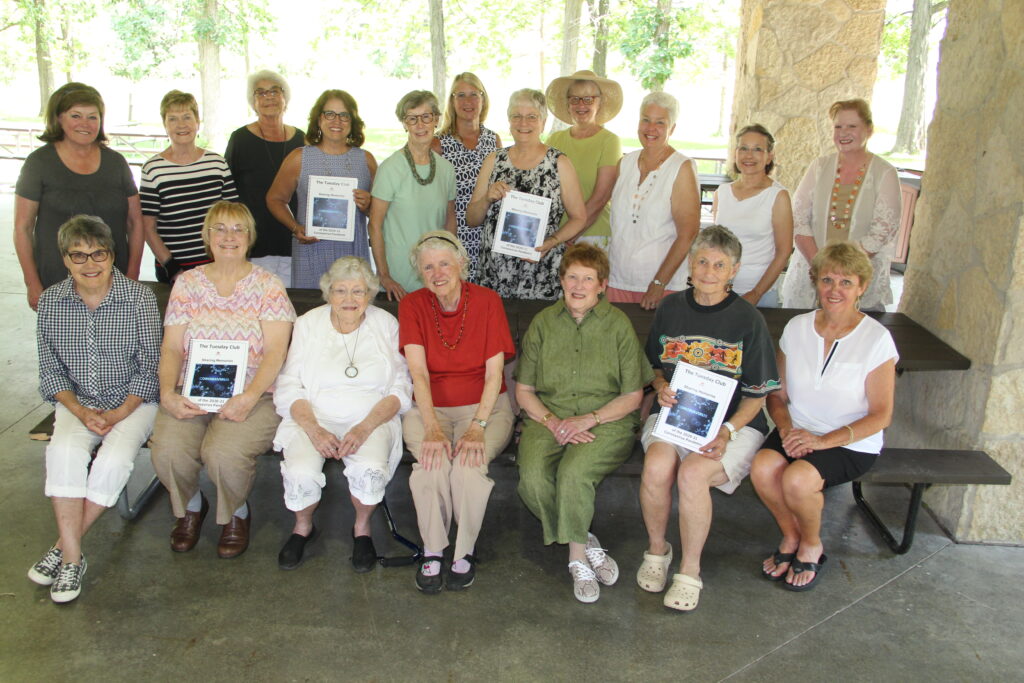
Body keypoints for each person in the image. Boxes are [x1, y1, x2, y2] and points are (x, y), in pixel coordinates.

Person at [637, 225, 780, 612]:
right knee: (656, 465)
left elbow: (758, 393)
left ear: (733, 270)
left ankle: (690, 570)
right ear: (690, 263)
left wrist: (728, 431)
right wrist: (660, 384)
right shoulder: (670, 307)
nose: (709, 271)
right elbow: (653, 366)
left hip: (735, 423)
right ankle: (657, 551)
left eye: (720, 264)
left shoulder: (747, 319)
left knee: (693, 473)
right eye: (702, 261)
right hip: (676, 414)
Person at [150, 201, 296, 559]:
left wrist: (248, 397)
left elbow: (276, 352)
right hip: (193, 391)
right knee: (168, 449)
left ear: (250, 237)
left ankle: (235, 512)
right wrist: (168, 393)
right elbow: (170, 348)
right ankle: (191, 507)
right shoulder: (187, 283)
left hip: (255, 393)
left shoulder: (268, 285)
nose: (229, 237)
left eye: (238, 229)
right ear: (207, 236)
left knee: (223, 454)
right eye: (220, 229)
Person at [28, 216, 160, 603]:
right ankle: (72, 557)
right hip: (77, 403)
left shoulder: (138, 298)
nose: (90, 263)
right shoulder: (52, 301)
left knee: (113, 463)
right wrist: (81, 411)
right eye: (78, 255)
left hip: (133, 403)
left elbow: (150, 366)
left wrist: (117, 414)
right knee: (63, 452)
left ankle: (62, 550)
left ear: (112, 255)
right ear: (65, 260)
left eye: (98, 253)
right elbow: (50, 370)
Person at [752, 242, 897, 591]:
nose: (835, 290)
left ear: (862, 287)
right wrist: (786, 429)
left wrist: (821, 441)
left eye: (846, 282)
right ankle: (790, 537)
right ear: (815, 282)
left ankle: (812, 544)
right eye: (827, 280)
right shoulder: (797, 328)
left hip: (851, 441)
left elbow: (881, 415)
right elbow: (778, 394)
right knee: (762, 468)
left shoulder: (877, 339)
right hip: (798, 429)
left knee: (798, 480)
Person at [515, 243, 652, 603]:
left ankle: (576, 559)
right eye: (572, 277)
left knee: (574, 474)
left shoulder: (618, 326)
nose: (578, 285)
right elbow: (525, 390)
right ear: (561, 280)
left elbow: (632, 396)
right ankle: (585, 538)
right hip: (550, 419)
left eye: (587, 279)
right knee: (530, 478)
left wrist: (587, 419)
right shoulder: (543, 324)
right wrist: (553, 421)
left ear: (602, 285)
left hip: (607, 420)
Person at [273, 257, 411, 571]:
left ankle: (362, 528)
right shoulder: (308, 323)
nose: (349, 299)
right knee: (301, 472)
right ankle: (303, 527)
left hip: (370, 418)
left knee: (371, 468)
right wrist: (314, 429)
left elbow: (400, 385)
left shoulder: (385, 324)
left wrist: (365, 428)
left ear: (370, 294)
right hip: (314, 417)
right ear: (328, 293)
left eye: (358, 292)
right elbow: (291, 383)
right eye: (340, 291)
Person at [398, 231, 516, 593]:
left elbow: (495, 373)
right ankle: (434, 549)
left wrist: (478, 425)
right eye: (428, 266)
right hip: (428, 406)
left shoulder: (487, 301)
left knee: (467, 467)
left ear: (462, 264)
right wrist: (431, 427)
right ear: (419, 273)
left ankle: (463, 551)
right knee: (431, 467)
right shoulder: (413, 305)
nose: (437, 273)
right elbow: (418, 372)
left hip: (485, 407)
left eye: (444, 263)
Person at [15, 83, 143, 310]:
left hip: (115, 280)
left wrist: (132, 274)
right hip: (57, 281)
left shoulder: (116, 163)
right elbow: (23, 228)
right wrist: (32, 282)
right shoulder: (39, 163)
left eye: (92, 117)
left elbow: (135, 223)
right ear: (59, 118)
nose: (85, 124)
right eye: (76, 115)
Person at [781, 99, 902, 311]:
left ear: (869, 130)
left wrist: (841, 274)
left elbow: (882, 231)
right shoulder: (818, 167)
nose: (843, 133)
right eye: (838, 127)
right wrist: (820, 266)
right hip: (813, 272)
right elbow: (799, 218)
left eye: (852, 126)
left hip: (858, 279)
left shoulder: (885, 173)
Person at [468, 89, 587, 300]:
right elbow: (472, 219)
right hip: (494, 272)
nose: (524, 123)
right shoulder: (494, 160)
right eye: (517, 116)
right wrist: (487, 198)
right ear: (509, 120)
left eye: (532, 117)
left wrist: (551, 242)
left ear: (543, 122)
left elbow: (579, 217)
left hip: (541, 271)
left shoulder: (559, 163)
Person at [267, 90, 376, 289]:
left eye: (344, 115)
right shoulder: (299, 158)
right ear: (319, 119)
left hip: (352, 254)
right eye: (330, 114)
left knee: (353, 310)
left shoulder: (366, 160)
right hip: (312, 250)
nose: (337, 121)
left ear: (353, 122)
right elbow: (275, 199)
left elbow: (380, 212)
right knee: (311, 312)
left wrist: (369, 205)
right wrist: (295, 227)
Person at [607, 92, 700, 309]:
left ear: (672, 128)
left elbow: (688, 233)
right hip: (617, 280)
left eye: (660, 123)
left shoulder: (681, 167)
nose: (651, 128)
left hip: (660, 286)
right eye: (646, 120)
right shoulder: (625, 163)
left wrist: (659, 282)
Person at [141, 90, 238, 282]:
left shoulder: (217, 164)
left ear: (197, 122)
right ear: (165, 125)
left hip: (217, 266)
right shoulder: (153, 169)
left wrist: (227, 260)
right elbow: (147, 227)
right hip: (174, 270)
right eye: (173, 119)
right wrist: (172, 268)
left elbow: (233, 218)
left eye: (187, 117)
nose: (181, 125)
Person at [370, 91, 457, 300]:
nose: (420, 125)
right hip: (398, 283)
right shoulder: (390, 168)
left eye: (426, 116)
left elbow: (450, 219)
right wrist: (384, 276)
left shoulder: (446, 169)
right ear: (404, 124)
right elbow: (374, 225)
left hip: (435, 279)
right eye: (412, 118)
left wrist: (450, 265)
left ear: (436, 119)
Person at [224, 70, 305, 286]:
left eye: (274, 91)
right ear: (253, 102)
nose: (268, 97)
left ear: (284, 98)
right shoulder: (240, 139)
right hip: (255, 242)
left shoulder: (302, 138)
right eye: (260, 93)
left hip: (294, 239)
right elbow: (228, 192)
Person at [712, 124, 793, 307]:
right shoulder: (722, 192)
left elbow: (784, 252)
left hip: (759, 295)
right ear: (736, 153)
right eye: (744, 148)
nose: (749, 156)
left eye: (757, 149)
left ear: (769, 156)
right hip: (720, 292)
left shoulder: (777, 196)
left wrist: (756, 293)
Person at [432, 72, 503, 278]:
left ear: (483, 99)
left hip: (489, 236)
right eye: (460, 95)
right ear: (452, 101)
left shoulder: (493, 141)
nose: (468, 101)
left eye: (474, 94)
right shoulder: (439, 144)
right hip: (455, 235)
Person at [544, 70, 623, 250]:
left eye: (588, 99)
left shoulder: (609, 141)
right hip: (554, 236)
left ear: (599, 102)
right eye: (575, 99)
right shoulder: (555, 140)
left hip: (592, 236)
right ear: (568, 103)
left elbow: (601, 198)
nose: (581, 105)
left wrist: (569, 235)